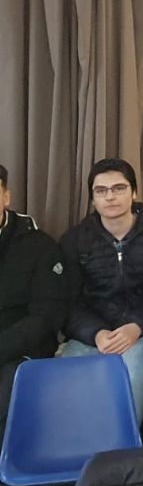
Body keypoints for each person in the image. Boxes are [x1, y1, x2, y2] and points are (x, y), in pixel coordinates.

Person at [59, 159, 143, 426]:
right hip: (93, 333)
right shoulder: (75, 240)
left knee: (128, 383)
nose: (110, 197)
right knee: (66, 389)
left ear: (134, 192)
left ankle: (120, 450)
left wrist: (137, 326)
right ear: (92, 199)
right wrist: (96, 333)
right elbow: (67, 302)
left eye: (119, 188)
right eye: (101, 191)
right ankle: (78, 451)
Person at [0, 165, 71, 436]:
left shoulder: (39, 245)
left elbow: (46, 316)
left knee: (9, 392)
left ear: (6, 197)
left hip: (21, 349)